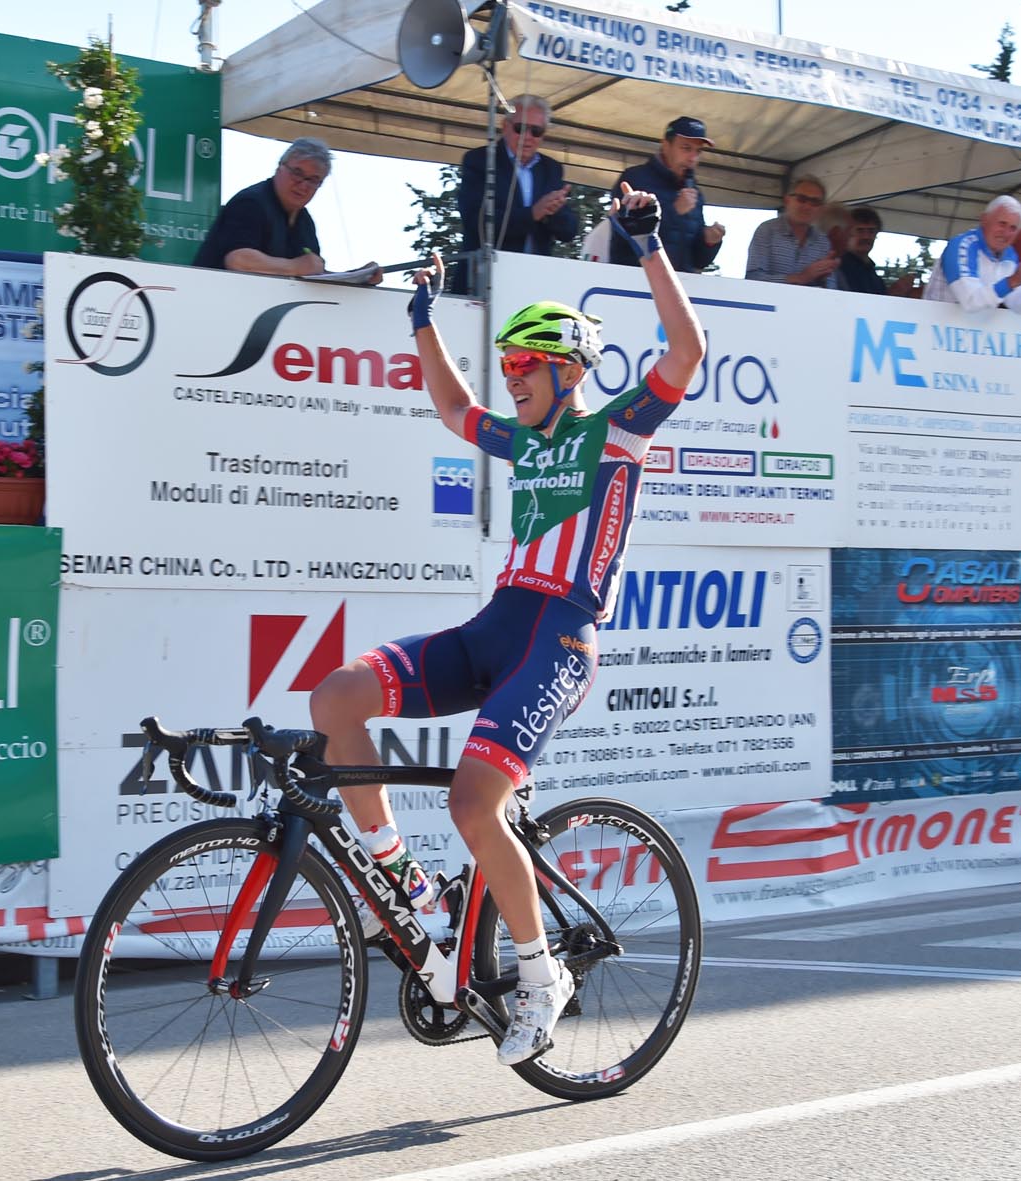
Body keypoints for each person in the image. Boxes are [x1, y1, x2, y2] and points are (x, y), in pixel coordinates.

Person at [310, 184, 702, 1067]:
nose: (512, 378)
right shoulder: (525, 442)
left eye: (524, 364)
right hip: (496, 625)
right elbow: (453, 410)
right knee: (335, 698)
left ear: (566, 369)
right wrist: (421, 320)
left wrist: (646, 245)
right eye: (509, 367)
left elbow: (687, 348)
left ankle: (539, 973)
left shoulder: (616, 431)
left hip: (558, 639)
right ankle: (415, 894)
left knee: (470, 799)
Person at [451, 95, 579, 295]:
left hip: (534, 282)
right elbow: (477, 220)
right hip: (485, 280)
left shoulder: (551, 168)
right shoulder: (481, 160)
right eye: (521, 128)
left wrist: (553, 212)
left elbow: (569, 231)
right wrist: (533, 213)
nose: (527, 136)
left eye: (536, 131)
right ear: (505, 125)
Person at [194, 138, 370, 279]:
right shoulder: (251, 202)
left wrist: (357, 277)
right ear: (280, 167)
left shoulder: (305, 221)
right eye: (297, 173)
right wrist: (297, 266)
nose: (303, 185)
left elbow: (310, 274)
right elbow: (238, 260)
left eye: (313, 180)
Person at [923, 195, 1021, 313]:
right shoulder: (963, 245)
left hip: (967, 343)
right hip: (933, 338)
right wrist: (1013, 280)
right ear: (984, 220)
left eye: (1013, 228)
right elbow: (971, 301)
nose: (1006, 233)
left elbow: (1018, 303)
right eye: (1002, 224)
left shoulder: (1008, 254)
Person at [607, 115, 725, 273]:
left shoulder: (695, 193)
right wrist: (674, 211)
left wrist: (710, 242)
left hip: (679, 287)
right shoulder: (634, 179)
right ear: (665, 145)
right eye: (686, 148)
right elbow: (626, 236)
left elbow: (699, 261)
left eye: (698, 151)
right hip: (634, 282)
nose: (693, 158)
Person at [745, 175, 838, 287]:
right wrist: (800, 278)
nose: (807, 206)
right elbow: (752, 279)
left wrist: (823, 278)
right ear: (787, 200)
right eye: (801, 199)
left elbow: (831, 291)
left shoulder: (823, 242)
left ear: (821, 209)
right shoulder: (767, 231)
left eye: (815, 202)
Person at [836, 206, 917, 297]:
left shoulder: (872, 273)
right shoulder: (839, 266)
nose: (866, 236)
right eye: (860, 230)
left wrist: (895, 291)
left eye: (871, 231)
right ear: (846, 233)